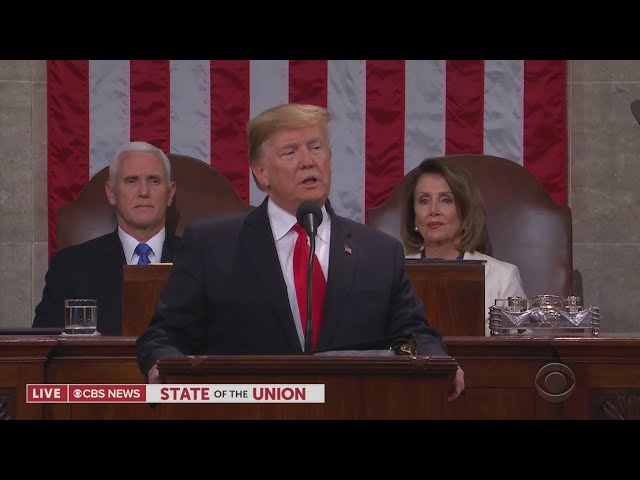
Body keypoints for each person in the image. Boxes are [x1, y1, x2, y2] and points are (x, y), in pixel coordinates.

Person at [136, 103, 465, 401]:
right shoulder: (212, 246)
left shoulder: (379, 253)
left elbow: (414, 335)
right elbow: (164, 336)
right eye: (290, 152)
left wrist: (438, 362)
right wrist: (164, 368)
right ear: (261, 173)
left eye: (316, 147)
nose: (309, 161)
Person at [33, 141, 182, 335]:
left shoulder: (203, 262)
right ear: (111, 194)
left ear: (170, 194)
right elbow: (42, 345)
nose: (144, 192)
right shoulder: (70, 267)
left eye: (154, 180)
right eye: (131, 181)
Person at [402, 157, 527, 335]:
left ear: (466, 211)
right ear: (413, 216)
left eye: (446, 200)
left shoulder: (503, 278)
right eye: (424, 201)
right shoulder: (394, 274)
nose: (433, 210)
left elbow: (521, 355)